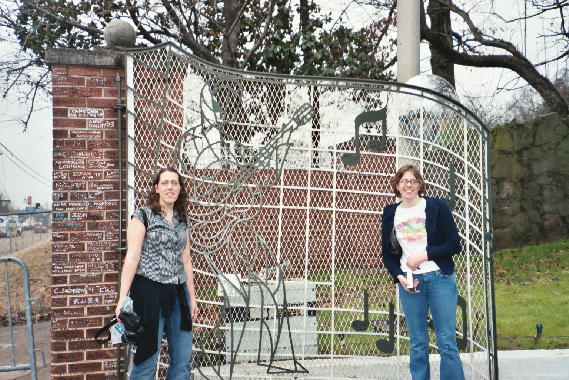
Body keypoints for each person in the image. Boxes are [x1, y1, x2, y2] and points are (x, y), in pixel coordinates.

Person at [381, 165, 465, 380]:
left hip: (440, 279)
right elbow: (387, 254)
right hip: (410, 282)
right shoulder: (391, 212)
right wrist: (399, 277)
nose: (408, 185)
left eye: (413, 181)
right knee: (418, 342)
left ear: (419, 184)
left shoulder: (437, 206)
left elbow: (455, 244)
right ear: (397, 185)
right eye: (404, 181)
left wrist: (424, 255)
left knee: (446, 340)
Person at [115, 167, 199, 379]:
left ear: (180, 188)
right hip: (149, 292)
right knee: (147, 358)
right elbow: (132, 258)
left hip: (178, 293)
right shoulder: (142, 216)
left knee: (182, 360)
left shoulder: (182, 220)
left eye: (174, 183)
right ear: (156, 188)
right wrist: (122, 299)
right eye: (165, 183)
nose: (170, 187)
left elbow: (186, 259)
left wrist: (193, 298)